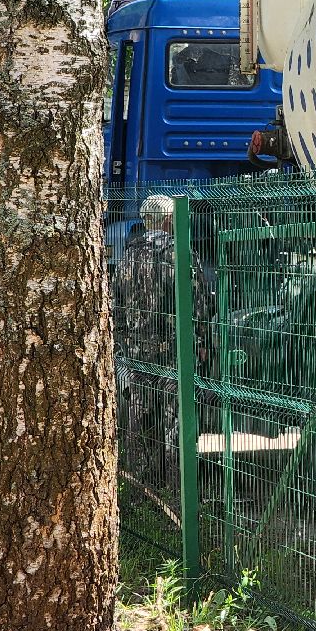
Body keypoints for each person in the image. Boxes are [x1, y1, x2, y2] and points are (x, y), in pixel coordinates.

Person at [115, 194, 210, 491]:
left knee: (141, 414)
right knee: (177, 418)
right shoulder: (177, 251)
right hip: (173, 351)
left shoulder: (129, 253)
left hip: (136, 351)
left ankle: (138, 485)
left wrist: (122, 342)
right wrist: (203, 341)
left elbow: (116, 302)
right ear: (170, 219)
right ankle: (176, 488)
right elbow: (197, 304)